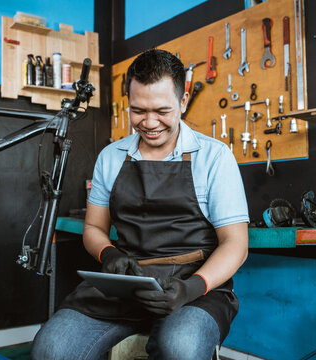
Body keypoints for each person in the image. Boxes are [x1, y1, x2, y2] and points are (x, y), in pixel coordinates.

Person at [31, 49, 249, 360]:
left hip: (195, 287)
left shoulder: (214, 158)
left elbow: (236, 244)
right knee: (51, 350)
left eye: (162, 110)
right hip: (126, 284)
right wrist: (109, 254)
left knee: (181, 348)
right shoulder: (112, 157)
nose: (149, 122)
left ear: (183, 101)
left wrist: (193, 287)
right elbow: (93, 227)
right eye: (138, 110)